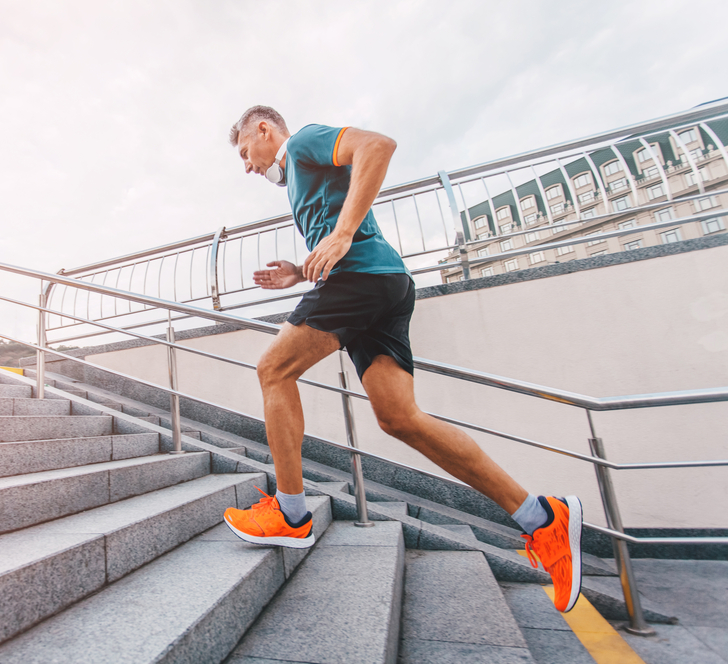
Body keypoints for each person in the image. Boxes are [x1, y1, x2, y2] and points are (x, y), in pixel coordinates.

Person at [221, 105, 583, 613]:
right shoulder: (303, 177)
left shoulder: (302, 143)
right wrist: (300, 273)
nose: (247, 167)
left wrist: (342, 235)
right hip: (384, 285)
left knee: (272, 369)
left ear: (264, 130)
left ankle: (291, 514)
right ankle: (542, 517)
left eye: (245, 153)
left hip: (362, 280)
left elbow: (378, 146)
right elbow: (340, 229)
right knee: (399, 418)